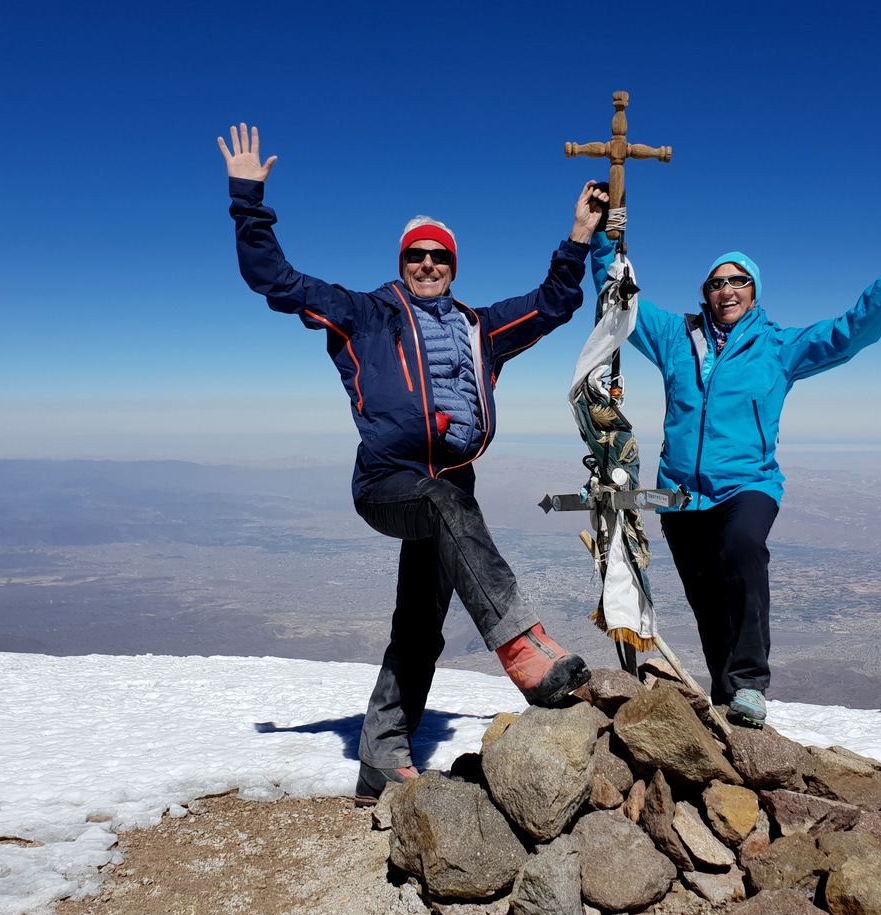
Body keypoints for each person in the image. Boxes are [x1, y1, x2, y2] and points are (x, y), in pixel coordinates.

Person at [219, 124, 607, 801]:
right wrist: (248, 200)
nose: (428, 265)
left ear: (454, 267)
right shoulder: (365, 314)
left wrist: (579, 236)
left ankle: (381, 758)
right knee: (444, 501)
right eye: (417, 256)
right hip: (389, 486)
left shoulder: (480, 328)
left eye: (440, 258)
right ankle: (522, 646)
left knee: (420, 627)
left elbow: (553, 304)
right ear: (403, 262)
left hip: (451, 491)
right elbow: (274, 280)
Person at [589, 220, 881, 728]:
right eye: (717, 283)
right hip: (681, 496)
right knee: (708, 603)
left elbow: (853, 329)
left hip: (747, 487)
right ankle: (727, 695)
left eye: (738, 281)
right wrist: (605, 241)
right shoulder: (675, 337)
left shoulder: (778, 348)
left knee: (743, 550)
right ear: (705, 294)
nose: (727, 290)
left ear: (754, 292)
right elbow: (618, 298)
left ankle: (752, 683)